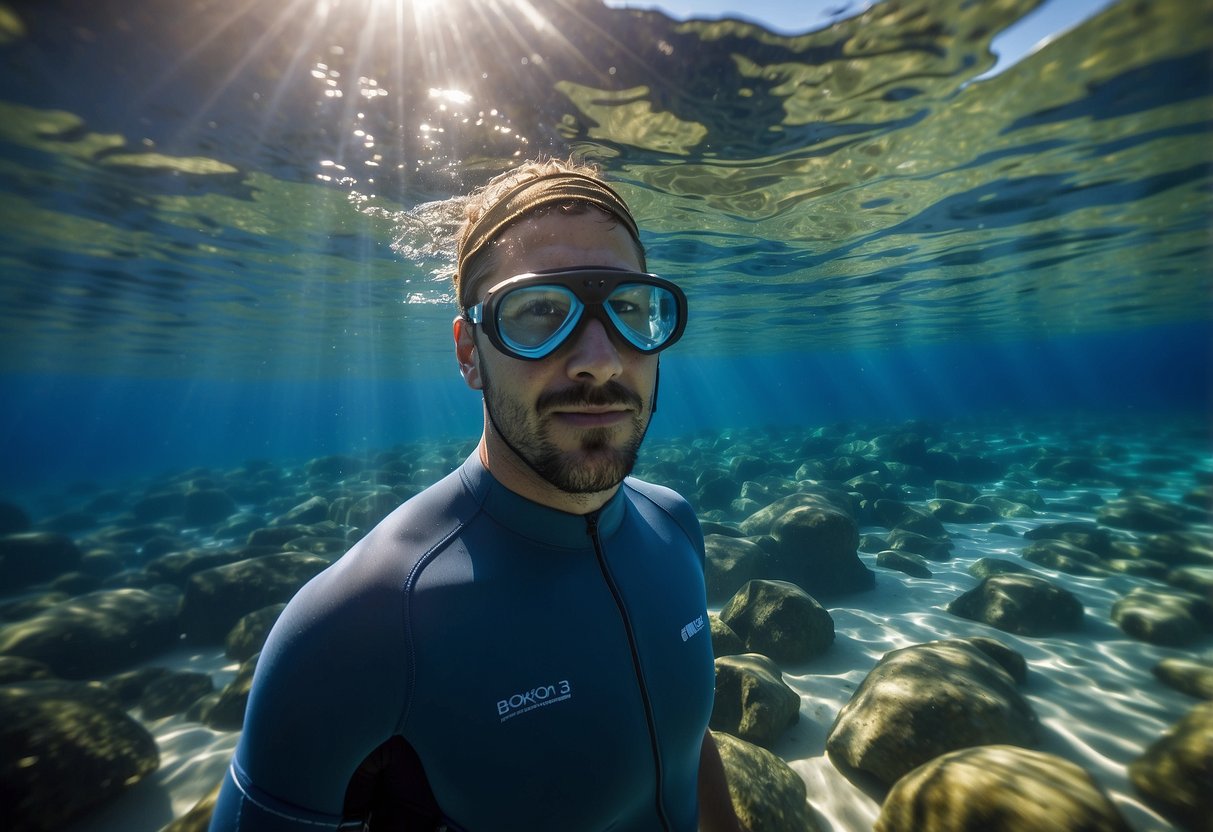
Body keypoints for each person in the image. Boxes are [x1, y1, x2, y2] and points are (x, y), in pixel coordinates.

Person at [209, 158, 740, 832]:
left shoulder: (675, 523)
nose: (601, 359)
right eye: (541, 310)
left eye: (631, 309)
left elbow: (685, 744)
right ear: (468, 351)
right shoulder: (356, 626)